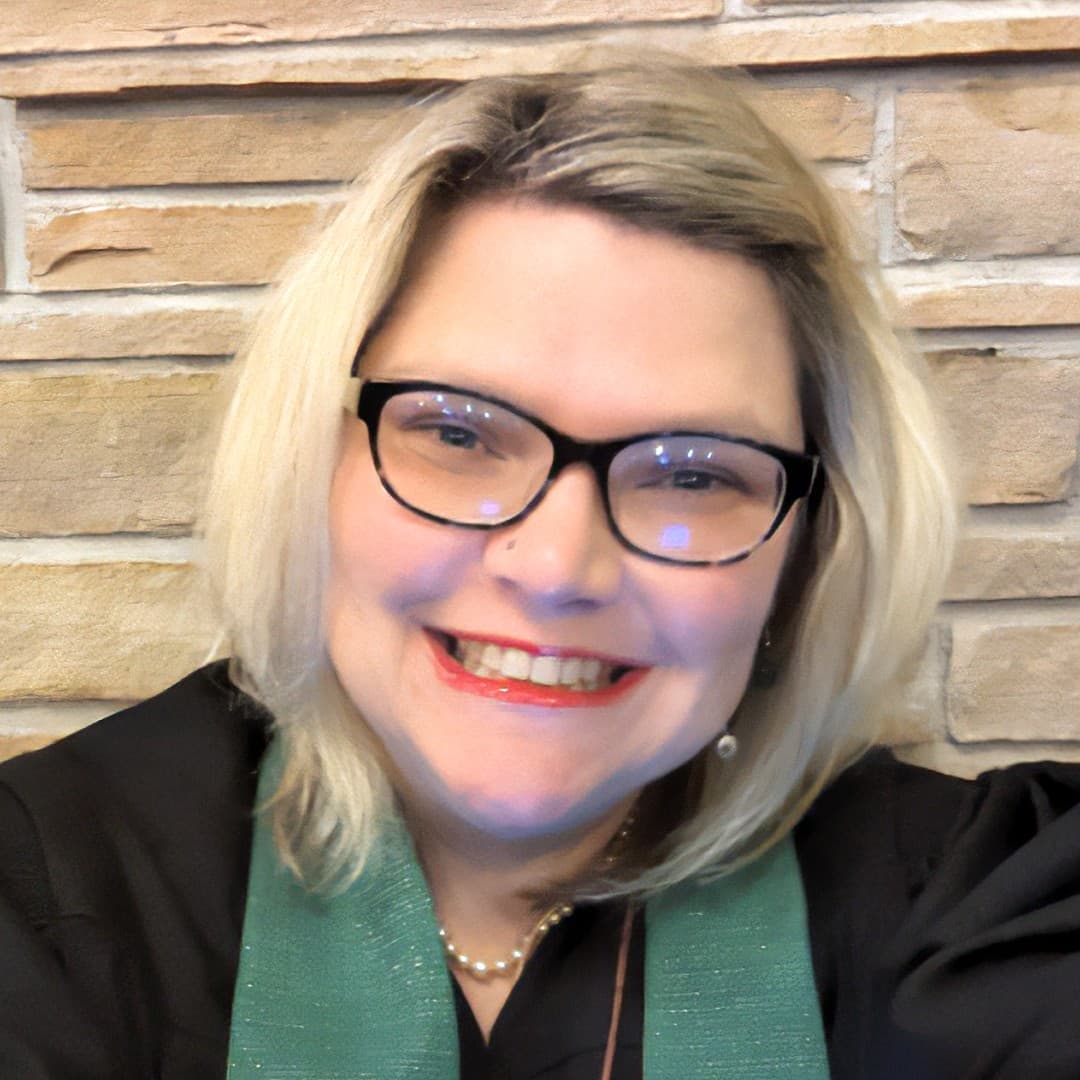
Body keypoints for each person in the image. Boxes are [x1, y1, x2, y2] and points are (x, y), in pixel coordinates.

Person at [1, 62, 1077, 1080]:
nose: (559, 568)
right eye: (458, 433)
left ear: (806, 550)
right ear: (310, 464)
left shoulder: (965, 906)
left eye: (694, 474)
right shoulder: (50, 897)